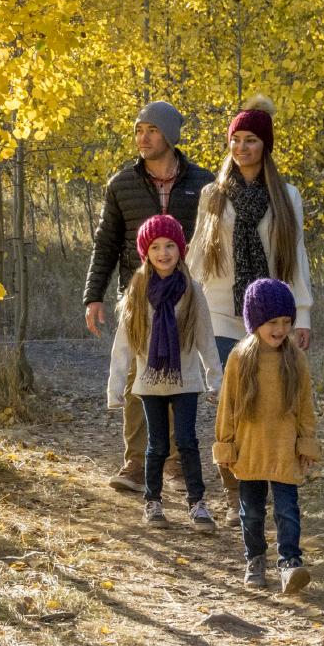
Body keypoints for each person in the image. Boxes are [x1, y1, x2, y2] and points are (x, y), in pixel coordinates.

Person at [82, 100, 216, 493]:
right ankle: (136, 464)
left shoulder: (203, 183)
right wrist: (94, 295)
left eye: (152, 130)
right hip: (138, 296)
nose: (143, 138)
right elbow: (104, 244)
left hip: (186, 297)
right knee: (136, 379)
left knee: (180, 373)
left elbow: (212, 243)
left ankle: (174, 461)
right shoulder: (121, 184)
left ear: (170, 135)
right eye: (139, 130)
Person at [105, 214, 220, 531]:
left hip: (186, 381)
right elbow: (124, 345)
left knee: (187, 442)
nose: (164, 253)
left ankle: (197, 504)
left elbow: (205, 339)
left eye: (170, 245)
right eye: (155, 247)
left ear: (180, 249)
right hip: (149, 383)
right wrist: (115, 389)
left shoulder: (192, 291)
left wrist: (216, 380)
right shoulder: (138, 291)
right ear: (146, 252)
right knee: (155, 445)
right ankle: (153, 502)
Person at [213, 278, 321, 594]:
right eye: (272, 322)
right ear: (256, 321)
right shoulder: (239, 357)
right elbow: (227, 405)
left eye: (286, 321)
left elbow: (304, 404)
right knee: (252, 512)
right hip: (250, 448)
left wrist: (306, 441)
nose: (280, 328)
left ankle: (290, 563)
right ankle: (255, 559)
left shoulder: (295, 358)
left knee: (288, 510)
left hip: (285, 448)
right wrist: (226, 444)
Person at [187, 97, 314, 363]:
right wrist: (182, 303)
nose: (241, 147)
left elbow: (297, 257)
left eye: (251, 140)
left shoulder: (288, 197)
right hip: (219, 311)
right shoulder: (213, 195)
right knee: (227, 394)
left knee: (265, 396)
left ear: (265, 145)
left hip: (272, 314)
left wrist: (302, 314)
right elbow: (197, 253)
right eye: (236, 138)